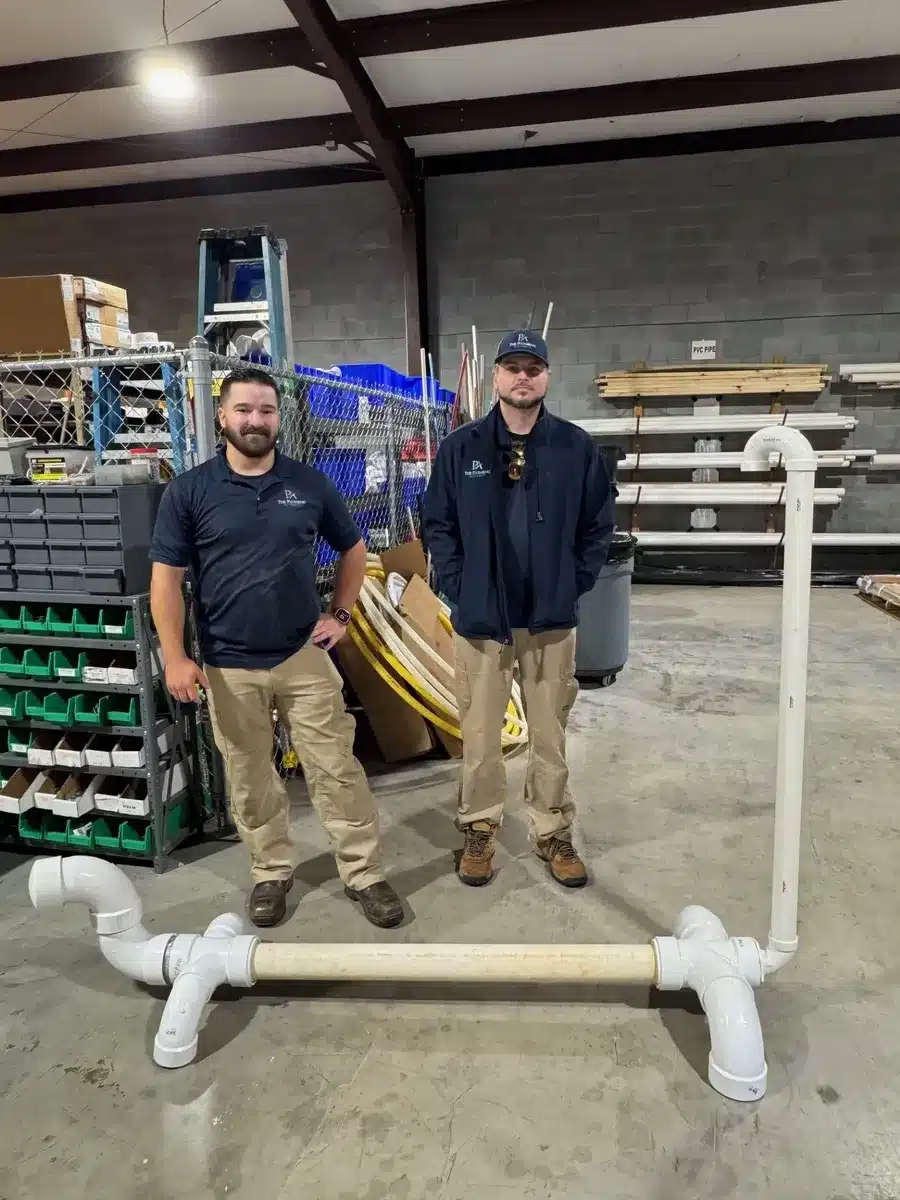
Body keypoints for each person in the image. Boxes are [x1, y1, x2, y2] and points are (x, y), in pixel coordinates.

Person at [149, 366, 403, 930]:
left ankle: (363, 873)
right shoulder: (189, 491)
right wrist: (174, 655)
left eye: (266, 410)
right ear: (222, 416)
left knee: (335, 768)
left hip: (301, 655)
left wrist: (339, 614)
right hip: (226, 663)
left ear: (278, 418)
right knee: (249, 775)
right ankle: (270, 872)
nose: (255, 420)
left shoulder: (309, 485)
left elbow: (355, 551)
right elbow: (165, 578)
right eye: (243, 410)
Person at [422, 329, 614, 889]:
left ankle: (552, 830)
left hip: (550, 620)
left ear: (547, 376)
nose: (523, 376)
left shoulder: (574, 448)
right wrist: (460, 585)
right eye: (513, 367)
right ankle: (479, 828)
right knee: (480, 734)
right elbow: (438, 523)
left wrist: (573, 583)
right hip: (483, 619)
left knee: (549, 732)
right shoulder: (462, 448)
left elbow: (598, 526)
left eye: (533, 367)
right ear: (496, 378)